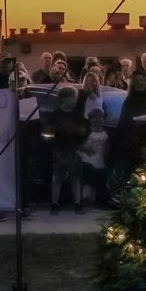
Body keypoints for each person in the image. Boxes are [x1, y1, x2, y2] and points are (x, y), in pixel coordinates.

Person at [49, 86, 88, 214]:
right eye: (73, 98)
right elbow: (50, 133)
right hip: (60, 150)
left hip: (74, 150)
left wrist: (79, 138)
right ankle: (54, 203)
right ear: (64, 99)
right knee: (57, 178)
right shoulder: (56, 115)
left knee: (76, 178)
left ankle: (77, 203)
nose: (75, 101)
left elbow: (83, 132)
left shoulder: (77, 115)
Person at [79, 107, 109, 207]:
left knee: (100, 179)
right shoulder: (86, 131)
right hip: (86, 158)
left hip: (100, 159)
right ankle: (84, 198)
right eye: (95, 118)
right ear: (91, 120)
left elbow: (106, 145)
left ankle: (98, 201)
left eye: (100, 117)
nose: (98, 120)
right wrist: (85, 149)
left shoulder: (105, 132)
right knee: (88, 178)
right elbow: (79, 145)